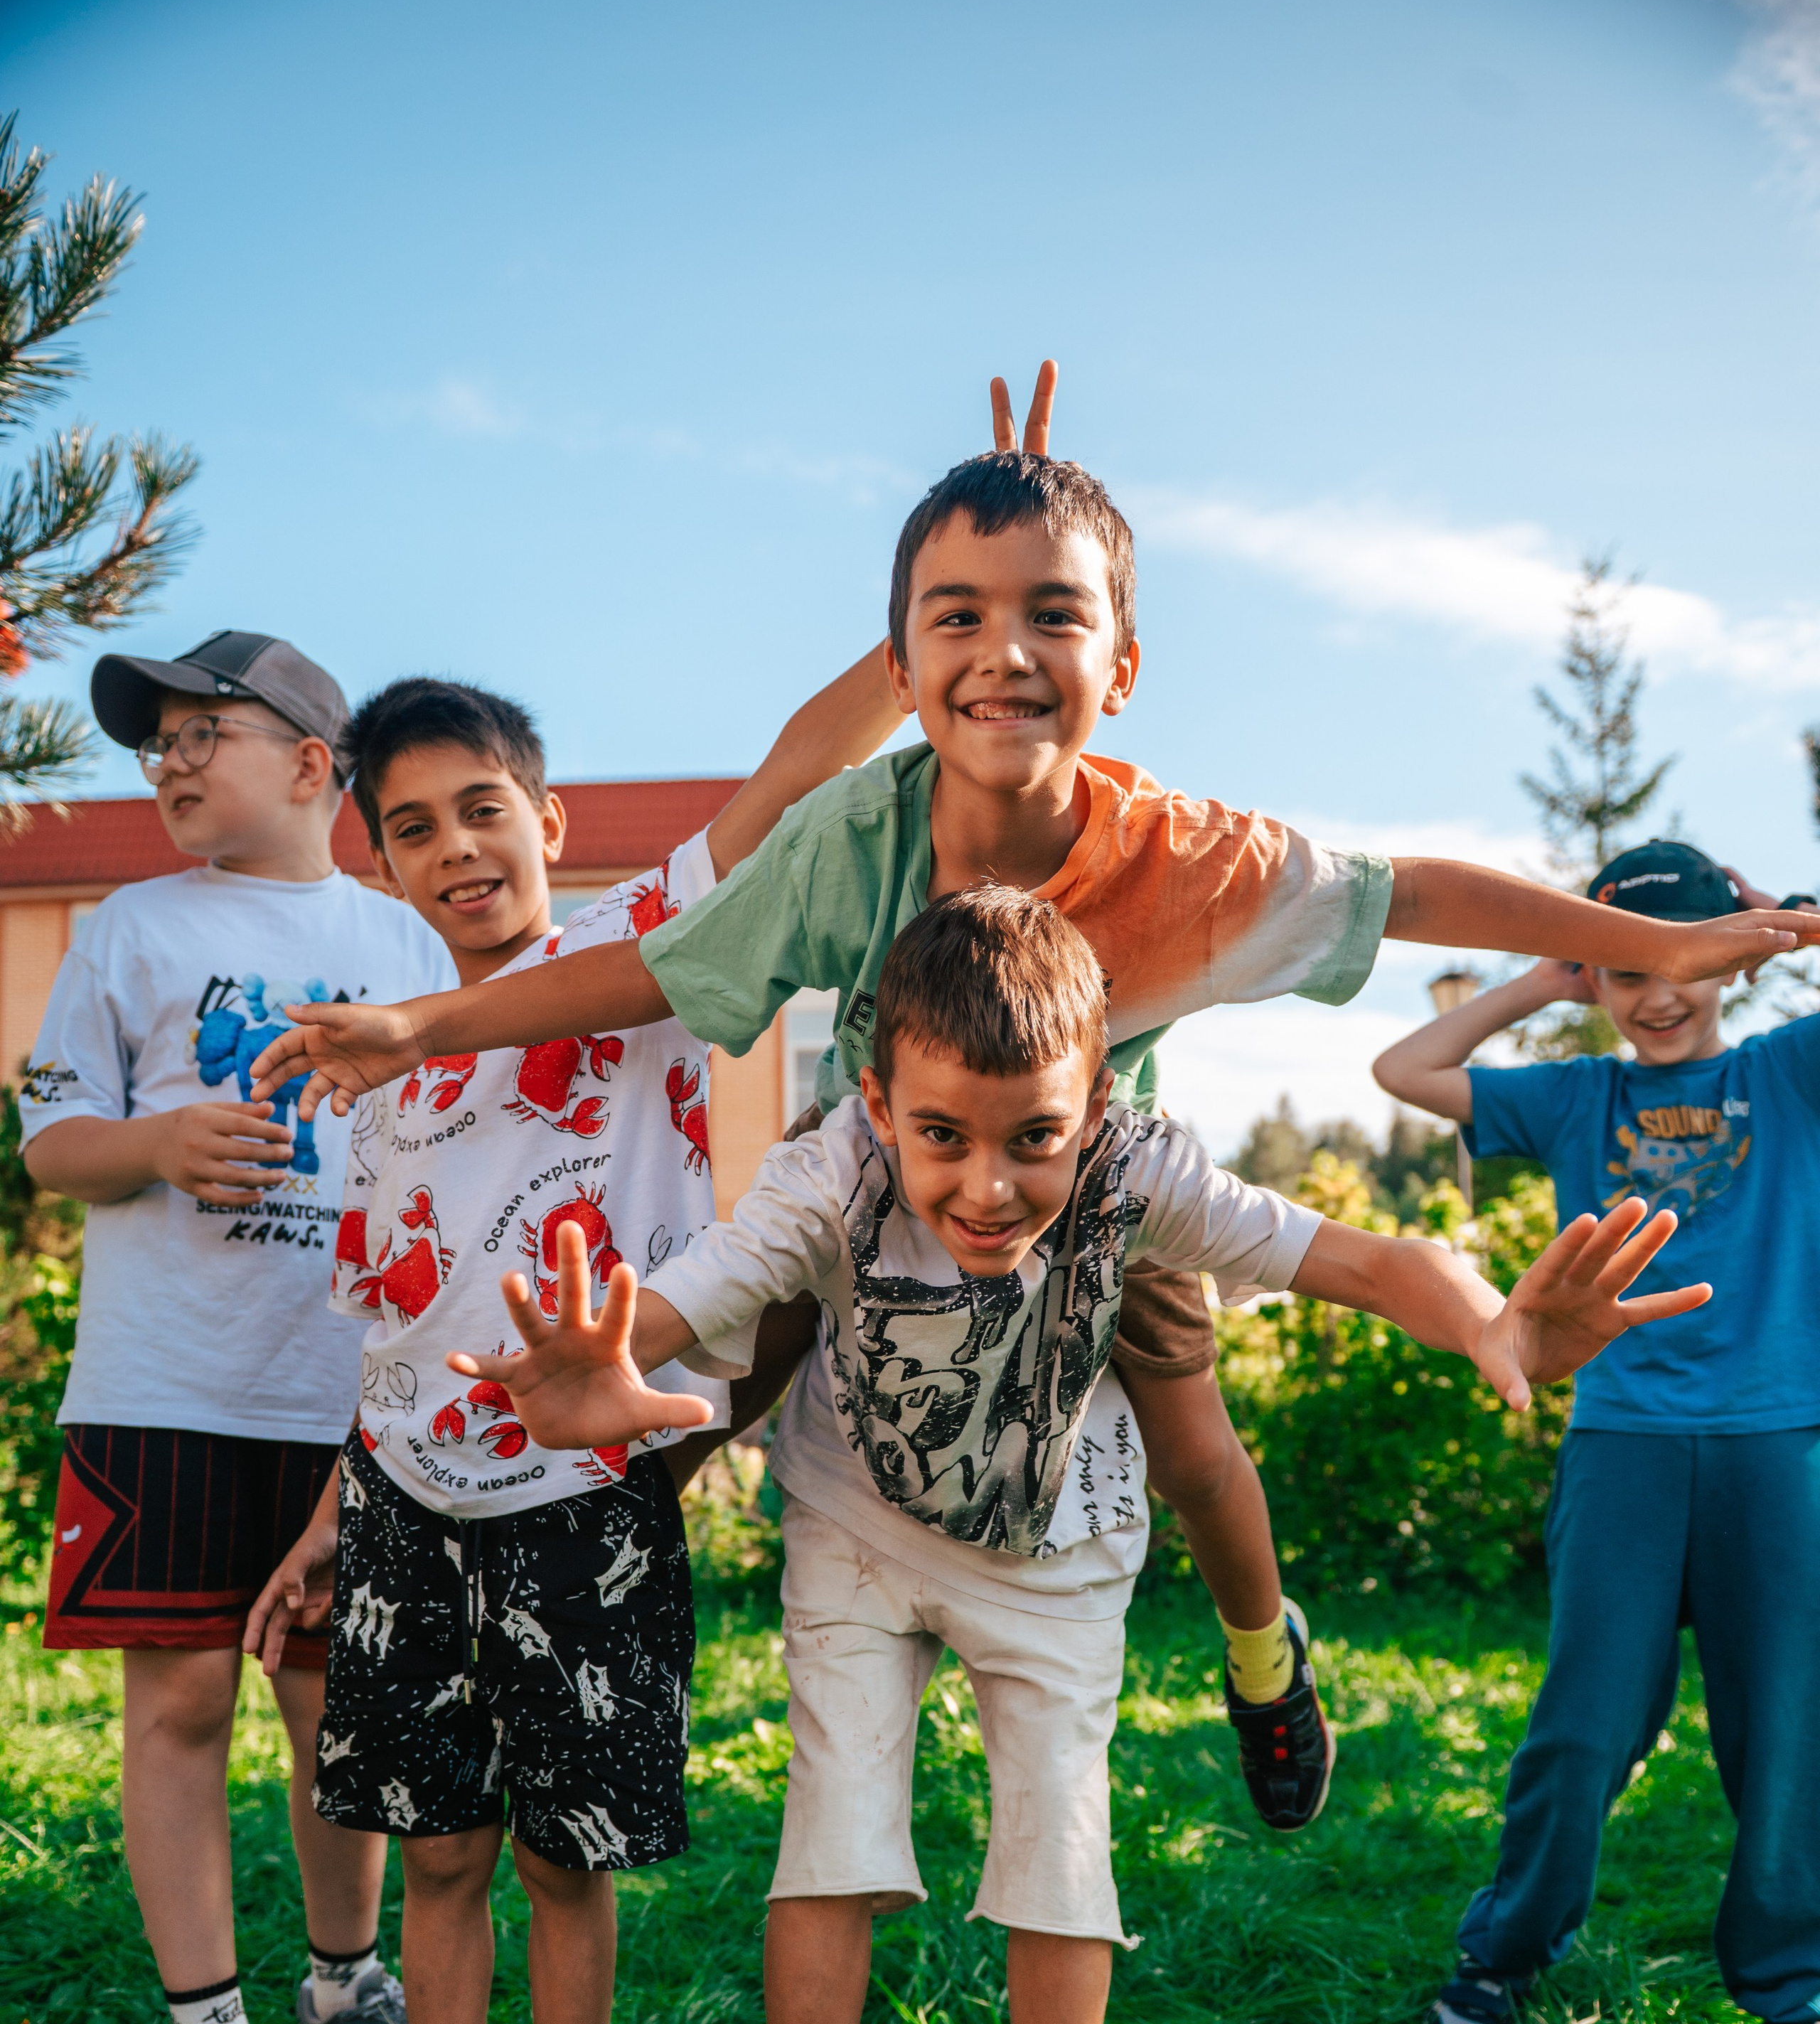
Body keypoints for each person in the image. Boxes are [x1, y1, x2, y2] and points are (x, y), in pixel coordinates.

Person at [249, 447, 1820, 1843]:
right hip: (886, 1166)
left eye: (1049, 615)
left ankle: (1262, 1654)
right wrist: (426, 1027)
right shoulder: (852, 840)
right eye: (961, 618)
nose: (1003, 653)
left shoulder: (1185, 858)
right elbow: (655, 972)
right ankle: (591, 1573)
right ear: (907, 662)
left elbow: (1409, 893)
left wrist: (1643, 943)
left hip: (1093, 1179)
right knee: (738, 1357)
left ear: (1118, 663)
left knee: (1186, 1430)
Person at [458, 885, 1705, 2024]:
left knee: (1058, 1852)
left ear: (1096, 1106)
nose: (986, 1187)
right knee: (829, 1839)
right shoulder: (831, 1165)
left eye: (1031, 1139)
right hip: (857, 1525)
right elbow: (699, 1292)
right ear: (877, 1103)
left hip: (1057, 1547)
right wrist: (611, 1352)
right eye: (942, 1137)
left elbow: (1359, 1257)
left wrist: (1491, 1325)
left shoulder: (1140, 1168)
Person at [246, 653, 906, 2024]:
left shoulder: (642, 951)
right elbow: (388, 1328)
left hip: (584, 1505)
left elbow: (786, 772)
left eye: (482, 810)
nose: (456, 848)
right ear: (381, 862)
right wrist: (330, 1515)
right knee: (440, 1854)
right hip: (405, 1507)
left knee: (562, 1860)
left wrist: (921, 642)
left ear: (546, 823)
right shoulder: (376, 1068)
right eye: (413, 828)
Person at [18, 631, 460, 2024]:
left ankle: (346, 1983)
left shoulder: (405, 942)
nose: (172, 761)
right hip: (168, 1388)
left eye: (206, 730)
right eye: (160, 742)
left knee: (336, 1703)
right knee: (185, 1702)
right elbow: (49, 1144)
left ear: (312, 764)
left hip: (344, 1398)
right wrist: (156, 1144)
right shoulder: (130, 927)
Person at [1371, 840, 1820, 2024]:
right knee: (1583, 1726)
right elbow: (1405, 1070)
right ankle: (1503, 1957)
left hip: (1779, 1443)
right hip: (1622, 1445)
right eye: (1630, 971)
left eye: (1686, 965)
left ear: (1732, 966)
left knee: (1786, 1731)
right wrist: (1547, 974)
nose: (1659, 994)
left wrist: (1786, 926)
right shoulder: (1578, 1098)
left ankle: (1795, 2005)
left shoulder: (1789, 1073)